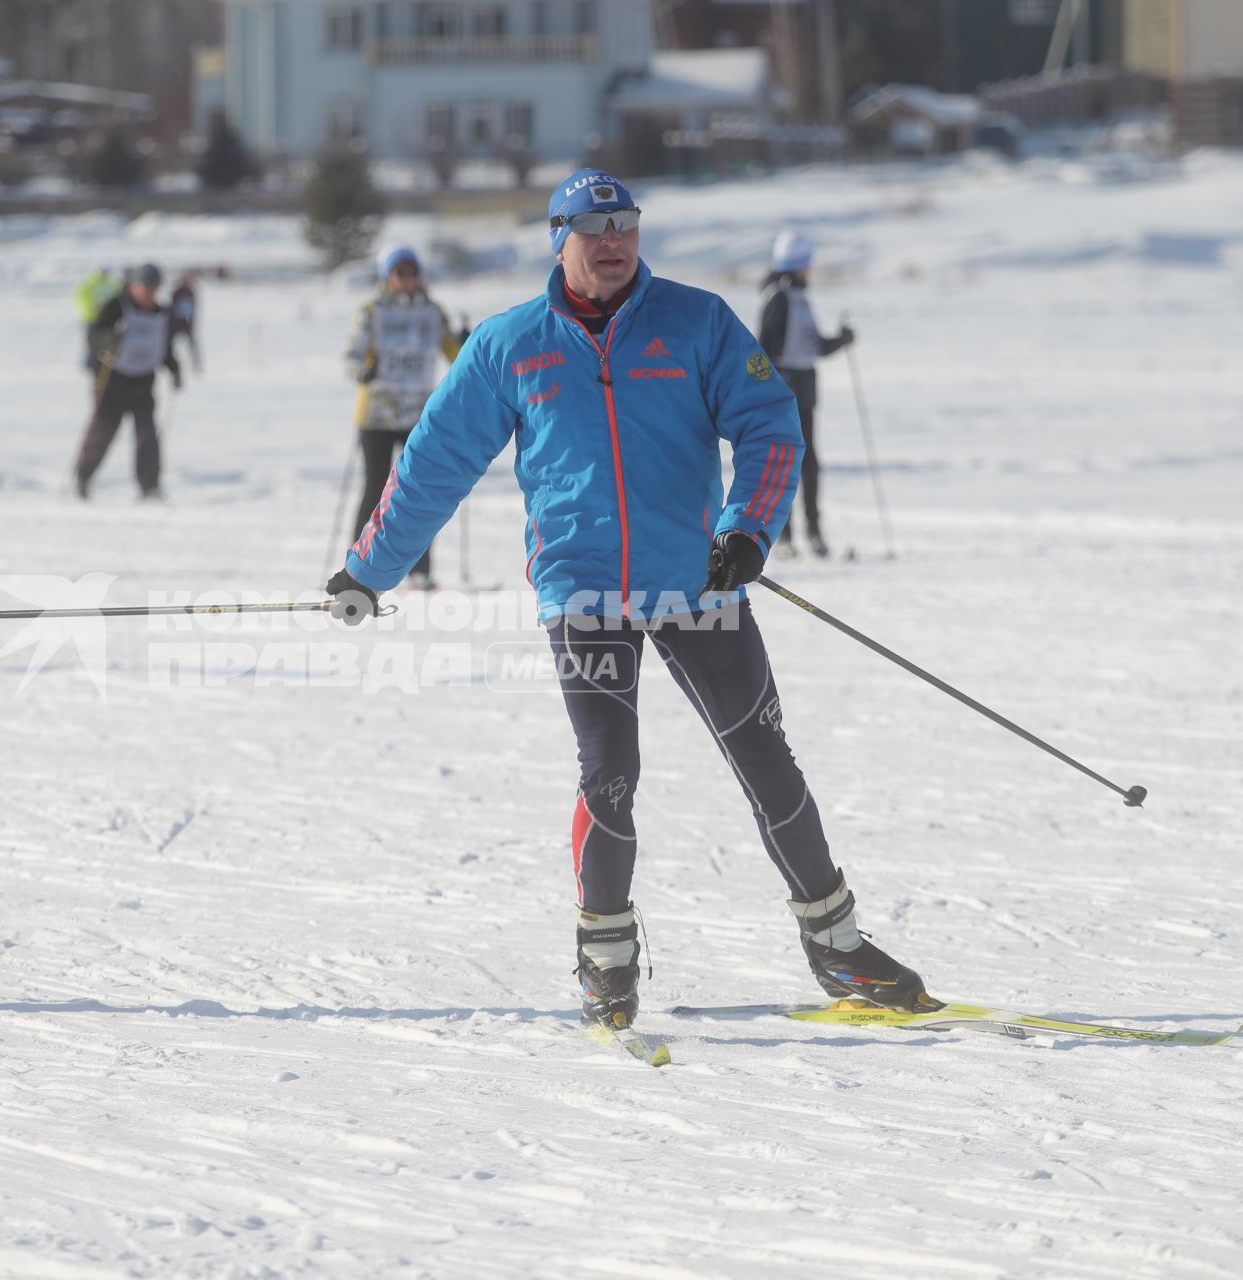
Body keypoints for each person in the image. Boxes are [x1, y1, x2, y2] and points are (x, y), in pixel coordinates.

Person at [323, 169, 929, 1030]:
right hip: (584, 593)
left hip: (696, 583)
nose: (613, 245)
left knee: (764, 755)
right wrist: (369, 572)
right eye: (593, 231)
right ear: (557, 239)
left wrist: (748, 528)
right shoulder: (510, 344)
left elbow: (769, 423)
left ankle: (838, 946)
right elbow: (431, 463)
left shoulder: (697, 321)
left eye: (626, 228)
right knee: (609, 774)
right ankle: (605, 957)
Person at [342, 245, 465, 589]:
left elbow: (454, 354)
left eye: (412, 273)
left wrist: (467, 345)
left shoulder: (432, 311)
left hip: (418, 414)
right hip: (377, 414)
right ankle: (356, 566)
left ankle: (420, 570)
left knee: (417, 491)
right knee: (375, 488)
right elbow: (350, 356)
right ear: (387, 276)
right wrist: (363, 369)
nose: (407, 280)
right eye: (400, 273)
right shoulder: (372, 312)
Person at [757, 231, 852, 559]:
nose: (809, 269)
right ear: (796, 264)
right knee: (788, 462)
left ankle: (813, 530)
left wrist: (840, 341)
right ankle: (784, 535)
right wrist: (771, 386)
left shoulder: (799, 298)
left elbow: (813, 345)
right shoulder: (780, 298)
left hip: (805, 388)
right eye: (806, 263)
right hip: (785, 390)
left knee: (809, 462)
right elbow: (764, 348)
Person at [74, 263, 181, 500]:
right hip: (113, 380)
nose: (149, 293)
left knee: (147, 435)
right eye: (145, 288)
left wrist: (174, 369)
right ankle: (82, 478)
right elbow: (94, 338)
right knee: (103, 431)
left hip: (143, 381)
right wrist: (110, 338)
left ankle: (149, 487)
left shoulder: (161, 313)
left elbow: (164, 347)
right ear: (133, 286)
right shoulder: (116, 307)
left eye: (153, 288)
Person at [73, 264, 122, 379]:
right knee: (91, 342)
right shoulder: (91, 283)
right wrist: (91, 309)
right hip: (92, 318)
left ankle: (102, 363)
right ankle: (90, 362)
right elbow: (79, 295)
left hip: (106, 319)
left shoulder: (108, 283)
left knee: (105, 343)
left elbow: (118, 293)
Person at [169, 272, 201, 374]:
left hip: (186, 322)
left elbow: (193, 308)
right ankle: (170, 363)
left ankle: (196, 364)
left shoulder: (190, 292)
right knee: (168, 344)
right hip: (176, 322)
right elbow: (172, 307)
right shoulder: (177, 292)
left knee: (192, 344)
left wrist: (192, 321)